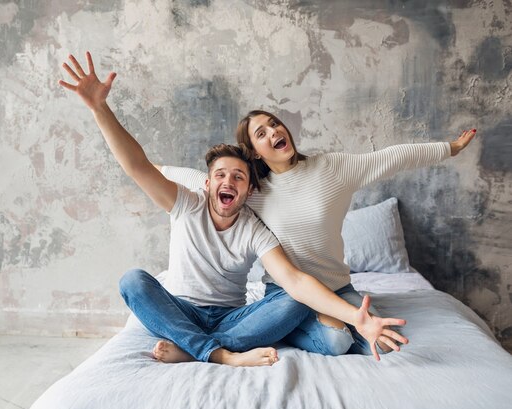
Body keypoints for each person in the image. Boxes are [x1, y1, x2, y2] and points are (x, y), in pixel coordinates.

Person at [58, 52, 408, 367]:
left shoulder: (254, 227)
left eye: (239, 177)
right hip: (180, 310)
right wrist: (100, 109)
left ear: (249, 189)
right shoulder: (184, 204)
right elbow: (137, 166)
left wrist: (356, 317)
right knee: (132, 281)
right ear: (207, 184)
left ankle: (196, 349)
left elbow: (295, 281)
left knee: (295, 296)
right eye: (221, 175)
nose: (229, 181)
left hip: (233, 319)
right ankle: (223, 354)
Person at [160, 110, 476, 356]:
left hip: (337, 288)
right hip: (286, 295)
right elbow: (195, 178)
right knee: (338, 341)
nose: (273, 131)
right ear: (254, 152)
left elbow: (391, 158)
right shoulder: (254, 191)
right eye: (261, 133)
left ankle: (300, 326)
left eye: (274, 124)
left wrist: (450, 148)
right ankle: (257, 333)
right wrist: (151, 170)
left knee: (381, 342)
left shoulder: (332, 168)